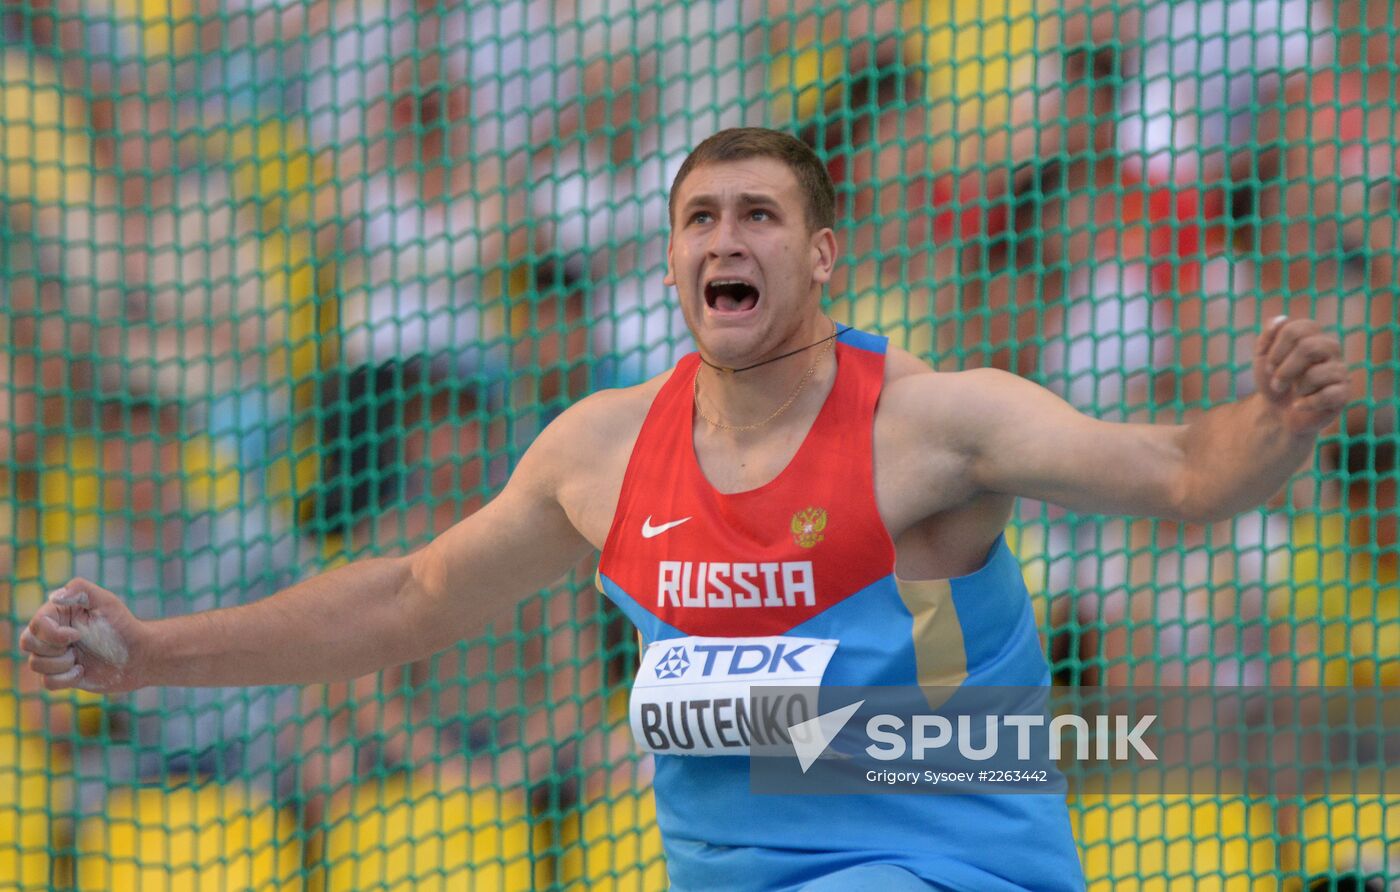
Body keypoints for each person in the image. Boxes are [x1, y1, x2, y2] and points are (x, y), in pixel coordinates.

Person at [22, 127, 1349, 891]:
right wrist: (157, 653)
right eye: (700, 217)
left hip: (948, 870)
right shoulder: (599, 454)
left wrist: (1275, 425)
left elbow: (1182, 472)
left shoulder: (938, 426)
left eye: (761, 216)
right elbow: (410, 598)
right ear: (670, 260)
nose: (728, 238)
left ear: (820, 256)